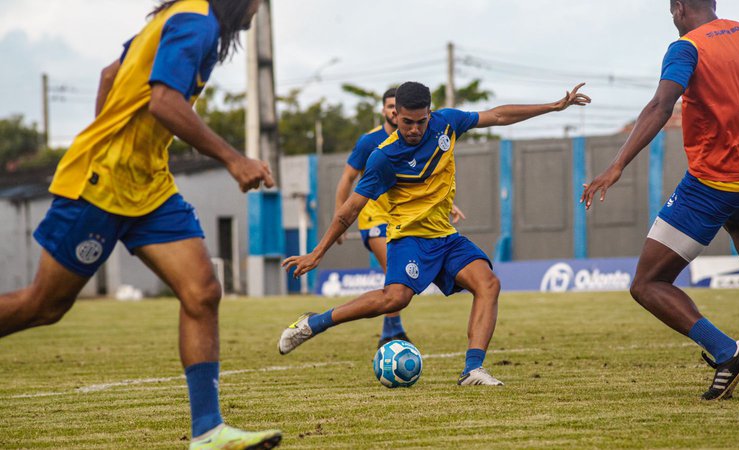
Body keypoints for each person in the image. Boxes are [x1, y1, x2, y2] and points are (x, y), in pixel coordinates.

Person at [0, 1, 282, 448]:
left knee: (202, 291)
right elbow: (165, 102)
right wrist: (234, 158)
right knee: (44, 306)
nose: (258, 10)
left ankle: (208, 432)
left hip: (148, 185)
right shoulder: (196, 23)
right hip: (101, 182)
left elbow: (110, 75)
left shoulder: (184, 16)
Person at [281, 81, 590, 386]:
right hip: (409, 238)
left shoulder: (446, 123)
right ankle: (314, 323)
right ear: (395, 116)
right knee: (395, 299)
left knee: (488, 284)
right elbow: (349, 210)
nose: (414, 129)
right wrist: (317, 252)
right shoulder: (383, 158)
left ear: (430, 113)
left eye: (421, 121)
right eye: (406, 122)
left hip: (445, 236)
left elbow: (496, 116)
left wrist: (553, 106)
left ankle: (473, 370)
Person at [581, 0, 739, 401]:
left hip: (714, 183)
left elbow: (661, 106)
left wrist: (616, 166)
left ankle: (726, 352)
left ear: (679, 7)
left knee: (647, 284)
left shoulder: (687, 47)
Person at [334, 87, 466, 347]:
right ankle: (392, 332)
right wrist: (339, 222)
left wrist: (449, 205)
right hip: (373, 218)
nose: (394, 110)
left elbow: (424, 182)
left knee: (396, 282)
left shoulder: (419, 138)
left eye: (397, 105)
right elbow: (347, 179)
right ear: (385, 111)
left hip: (401, 218)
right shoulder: (370, 143)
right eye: (389, 106)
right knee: (392, 274)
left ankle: (391, 329)